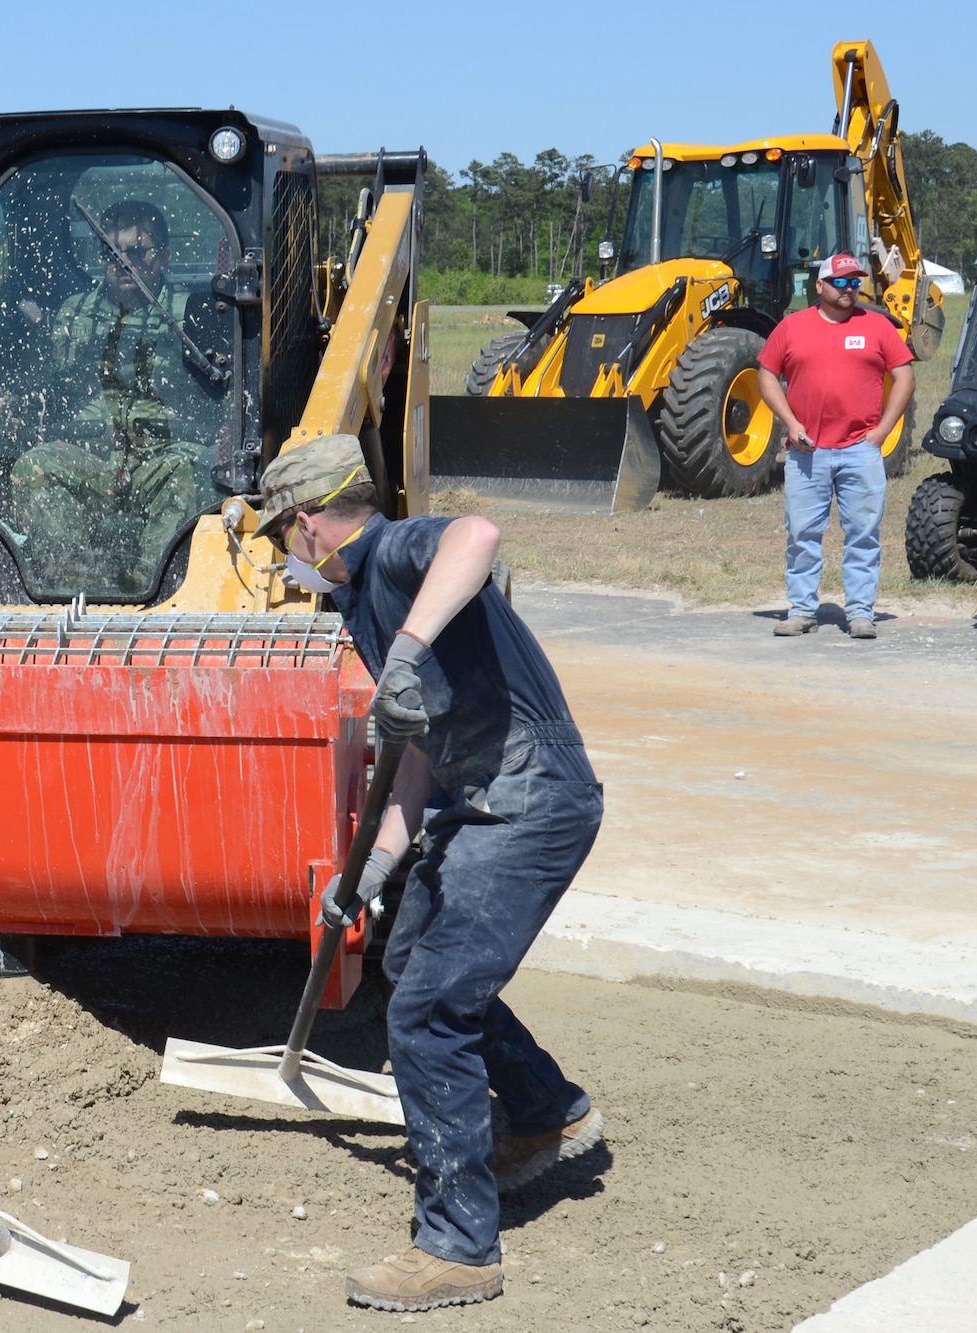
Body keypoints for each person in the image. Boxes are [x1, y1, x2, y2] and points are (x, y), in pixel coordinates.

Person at [254, 434, 605, 1314]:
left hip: (530, 799)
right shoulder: (360, 605)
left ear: (308, 524)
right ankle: (545, 1112)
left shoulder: (395, 553)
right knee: (413, 969)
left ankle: (457, 1248)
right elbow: (416, 758)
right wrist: (371, 869)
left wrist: (407, 652)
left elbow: (478, 535)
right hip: (477, 799)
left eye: (280, 540)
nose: (286, 560)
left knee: (425, 1010)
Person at [7, 198, 209, 592]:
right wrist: (14, 406)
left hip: (162, 460)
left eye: (135, 251)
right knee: (34, 465)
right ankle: (75, 584)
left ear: (163, 257)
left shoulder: (191, 315)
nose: (122, 261)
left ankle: (152, 587)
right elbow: (48, 384)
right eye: (111, 252)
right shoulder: (74, 314)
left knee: (187, 473)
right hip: (94, 460)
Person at [755, 253, 915, 639]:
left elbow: (904, 376)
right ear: (820, 286)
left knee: (863, 533)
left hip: (860, 450)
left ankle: (860, 612)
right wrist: (790, 424)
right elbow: (766, 375)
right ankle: (803, 609)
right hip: (807, 452)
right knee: (802, 534)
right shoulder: (792, 327)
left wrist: (882, 431)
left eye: (855, 282)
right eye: (840, 282)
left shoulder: (877, 326)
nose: (849, 290)